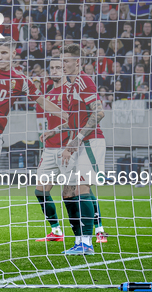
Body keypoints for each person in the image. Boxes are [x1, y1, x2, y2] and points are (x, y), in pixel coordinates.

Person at [41, 44, 107, 255]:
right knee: (68, 192)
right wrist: (55, 131)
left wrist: (77, 140)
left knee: (82, 188)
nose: (64, 65)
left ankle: (87, 243)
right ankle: (79, 239)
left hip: (90, 142)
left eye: (67, 61)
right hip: (78, 142)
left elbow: (99, 113)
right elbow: (72, 119)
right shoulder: (70, 87)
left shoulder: (84, 81)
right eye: (63, 61)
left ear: (78, 62)